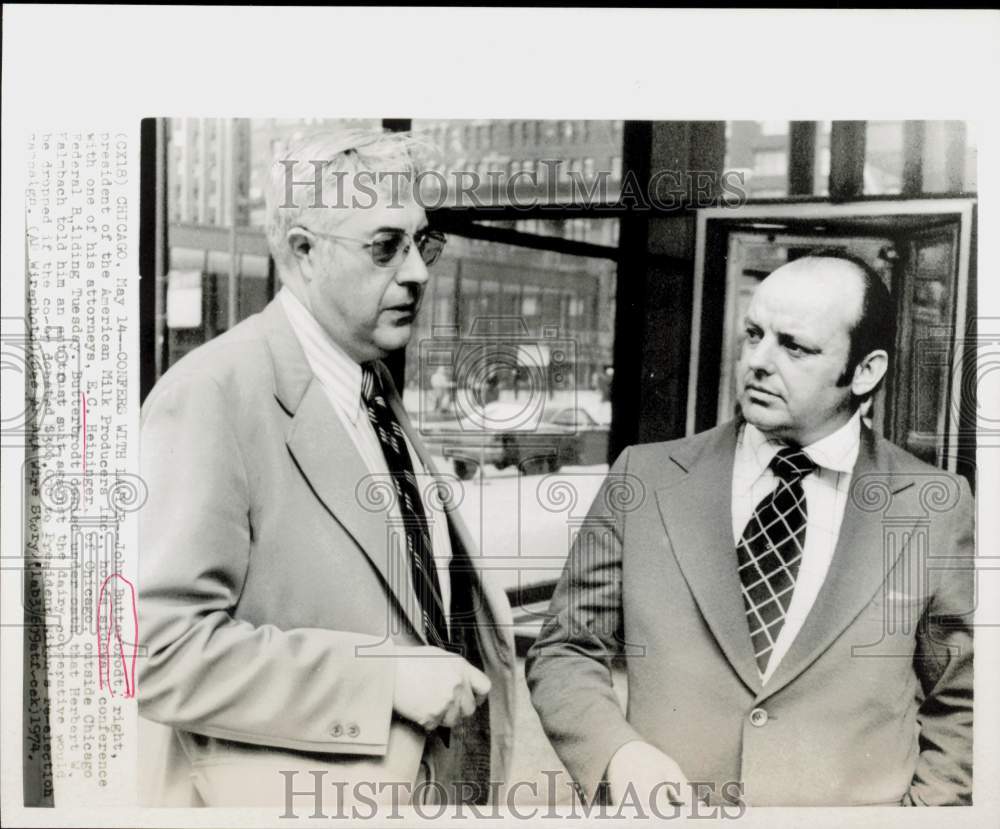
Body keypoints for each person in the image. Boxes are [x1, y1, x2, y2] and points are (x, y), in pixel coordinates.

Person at [138, 130, 516, 808]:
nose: (418, 273)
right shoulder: (212, 392)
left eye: (421, 242)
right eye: (384, 247)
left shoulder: (369, 386)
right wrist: (382, 678)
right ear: (302, 253)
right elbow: (162, 655)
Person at [526, 251, 974, 808]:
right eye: (754, 334)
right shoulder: (644, 477)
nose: (758, 361)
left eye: (794, 346)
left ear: (866, 370)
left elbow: (965, 699)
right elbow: (565, 648)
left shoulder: (934, 505)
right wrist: (617, 754)